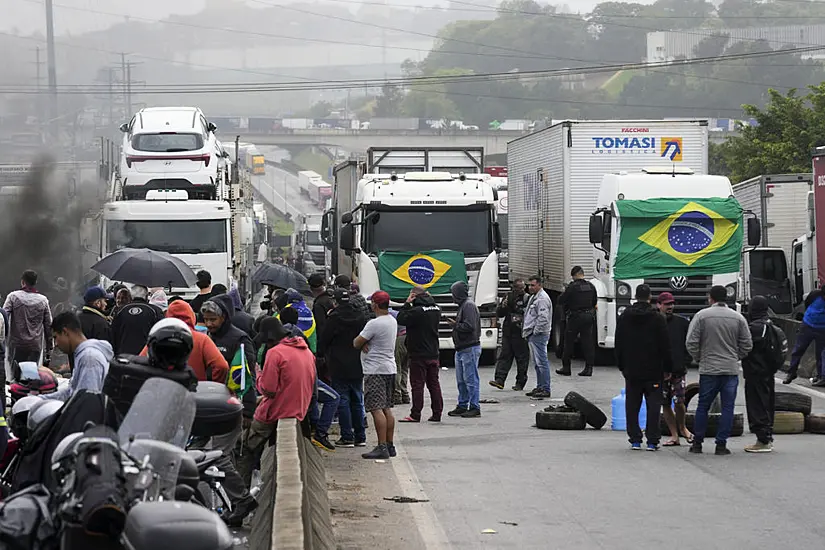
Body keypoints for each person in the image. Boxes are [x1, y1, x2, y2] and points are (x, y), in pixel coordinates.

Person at [199, 295, 258, 525]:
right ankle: (231, 503)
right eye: (206, 319)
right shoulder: (206, 338)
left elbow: (247, 376)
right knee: (203, 455)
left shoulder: (239, 339)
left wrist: (248, 411)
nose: (210, 324)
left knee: (219, 456)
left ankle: (241, 500)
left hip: (229, 408)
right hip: (206, 407)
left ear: (224, 317)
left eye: (213, 319)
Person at [239, 317, 315, 493]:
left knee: (243, 447)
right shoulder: (305, 350)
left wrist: (258, 373)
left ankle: (240, 498)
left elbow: (268, 389)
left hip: (277, 411)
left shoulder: (276, 353)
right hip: (299, 409)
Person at [686, 285, 753, 455]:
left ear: (711, 298)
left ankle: (697, 443)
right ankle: (721, 444)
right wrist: (735, 357)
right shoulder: (738, 318)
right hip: (730, 370)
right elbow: (747, 344)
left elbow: (691, 342)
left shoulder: (701, 316)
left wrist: (699, 358)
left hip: (709, 369)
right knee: (728, 408)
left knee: (703, 406)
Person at [615, 284, 672, 451]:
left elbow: (619, 342)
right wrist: (667, 367)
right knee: (653, 405)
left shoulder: (625, 316)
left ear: (635, 296)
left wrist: (621, 365)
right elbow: (665, 345)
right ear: (650, 297)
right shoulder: (657, 318)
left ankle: (635, 439)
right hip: (653, 369)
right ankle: (652, 440)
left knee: (632, 404)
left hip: (632, 369)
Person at [318, 288, 368, 447]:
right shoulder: (360, 316)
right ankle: (360, 436)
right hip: (357, 362)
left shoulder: (334, 318)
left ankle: (347, 436)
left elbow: (324, 339)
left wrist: (321, 354)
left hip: (338, 363)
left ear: (335, 301)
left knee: (343, 400)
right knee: (358, 399)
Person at [138, 300, 228, 384]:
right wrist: (213, 386)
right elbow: (221, 366)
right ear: (191, 316)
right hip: (195, 393)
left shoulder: (160, 338)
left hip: (164, 391)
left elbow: (140, 362)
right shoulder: (202, 339)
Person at [353, 291, 398, 459]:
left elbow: (356, 342)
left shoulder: (374, 323)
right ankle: (390, 444)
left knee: (375, 409)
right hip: (389, 368)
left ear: (375, 305)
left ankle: (381, 447)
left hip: (375, 370)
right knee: (387, 408)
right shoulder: (392, 321)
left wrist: (364, 342)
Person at [743, 296, 786, 453]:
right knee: (767, 404)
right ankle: (767, 436)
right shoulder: (773, 327)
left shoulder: (754, 328)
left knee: (757, 405)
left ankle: (763, 440)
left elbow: (744, 348)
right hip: (769, 372)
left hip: (755, 372)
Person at [397, 286, 443, 423]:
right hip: (433, 353)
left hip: (418, 353)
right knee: (434, 384)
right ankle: (437, 413)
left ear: (414, 296)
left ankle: (415, 414)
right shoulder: (437, 309)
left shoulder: (415, 311)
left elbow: (400, 318)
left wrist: (407, 303)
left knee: (417, 385)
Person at [43, 312, 113, 402]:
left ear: (65, 332)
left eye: (55, 337)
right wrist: (39, 400)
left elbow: (87, 402)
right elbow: (71, 391)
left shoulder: (89, 358)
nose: (56, 344)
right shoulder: (82, 355)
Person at [656, 292, 694, 447]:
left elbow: (689, 344)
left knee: (679, 401)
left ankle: (683, 428)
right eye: (666, 304)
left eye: (671, 303)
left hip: (678, 370)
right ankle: (674, 435)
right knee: (665, 403)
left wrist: (686, 361)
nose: (670, 306)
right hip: (660, 371)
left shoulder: (682, 323)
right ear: (659, 305)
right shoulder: (655, 322)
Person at [4, 269, 52, 376]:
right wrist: (49, 349)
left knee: (15, 377)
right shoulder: (43, 300)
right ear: (35, 282)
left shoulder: (13, 297)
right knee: (30, 377)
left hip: (16, 345)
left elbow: (3, 318)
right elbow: (49, 326)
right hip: (35, 346)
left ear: (22, 282)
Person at [446, 281, 482, 418]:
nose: (452, 297)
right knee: (461, 380)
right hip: (462, 348)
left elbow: (470, 326)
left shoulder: (468, 306)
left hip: (469, 347)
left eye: (453, 294)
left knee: (471, 379)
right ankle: (462, 404)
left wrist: (456, 325)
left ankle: (474, 406)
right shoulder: (463, 305)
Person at [489, 279, 530, 391]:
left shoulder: (527, 298)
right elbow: (500, 313)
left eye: (523, 287)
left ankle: (520, 382)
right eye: (519, 288)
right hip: (508, 330)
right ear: (514, 288)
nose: (521, 290)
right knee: (504, 356)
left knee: (521, 359)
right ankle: (499, 380)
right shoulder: (508, 297)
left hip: (520, 332)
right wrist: (503, 306)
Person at [557, 266, 597, 377]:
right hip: (588, 316)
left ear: (574, 275)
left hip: (575, 317)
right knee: (588, 343)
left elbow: (561, 300)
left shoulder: (572, 287)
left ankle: (566, 367)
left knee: (568, 342)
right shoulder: (591, 286)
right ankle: (589, 368)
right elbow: (594, 301)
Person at [784, 288, 825, 386]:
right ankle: (791, 372)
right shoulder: (815, 294)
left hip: (822, 329)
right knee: (798, 349)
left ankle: (820, 377)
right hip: (807, 325)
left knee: (820, 354)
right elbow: (807, 303)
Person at [111, 285, 163, 356]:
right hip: (146, 357)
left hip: (124, 356)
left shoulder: (120, 311)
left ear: (131, 296)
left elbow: (113, 334)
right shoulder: (155, 311)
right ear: (147, 295)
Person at [523, 276, 553, 399]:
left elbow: (543, 318)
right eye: (529, 285)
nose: (530, 287)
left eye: (533, 285)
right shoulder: (535, 297)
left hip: (539, 335)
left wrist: (536, 331)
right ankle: (540, 386)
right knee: (537, 362)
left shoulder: (542, 299)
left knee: (541, 362)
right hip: (533, 334)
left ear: (540, 285)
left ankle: (545, 388)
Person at [276, 289, 317, 353]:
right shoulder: (309, 313)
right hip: (307, 349)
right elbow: (313, 334)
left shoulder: (284, 311)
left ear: (288, 302)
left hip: (287, 350)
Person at [391, 310, 410, 405]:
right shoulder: (397, 312)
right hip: (409, 338)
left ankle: (397, 395)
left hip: (400, 338)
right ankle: (405, 394)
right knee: (404, 368)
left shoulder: (389, 315)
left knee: (397, 367)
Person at [309, 273, 335, 339]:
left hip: (326, 342)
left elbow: (321, 327)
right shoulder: (331, 297)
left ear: (311, 288)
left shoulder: (318, 305)